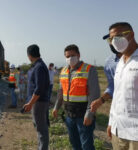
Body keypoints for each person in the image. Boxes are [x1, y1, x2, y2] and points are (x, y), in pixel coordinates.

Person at [52, 44, 100, 150]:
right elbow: (61, 92)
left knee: (86, 146)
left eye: (72, 55)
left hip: (83, 115)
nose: (70, 58)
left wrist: (89, 114)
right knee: (74, 144)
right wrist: (56, 107)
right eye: (67, 56)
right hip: (69, 115)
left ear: (78, 55)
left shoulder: (89, 69)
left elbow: (94, 95)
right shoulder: (63, 71)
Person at [105, 22, 138, 150]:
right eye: (111, 38)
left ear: (131, 35)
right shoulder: (120, 63)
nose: (114, 41)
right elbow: (117, 95)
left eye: (119, 36)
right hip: (118, 131)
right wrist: (111, 123)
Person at [23, 44, 50, 150]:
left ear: (29, 55)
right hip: (38, 102)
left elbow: (39, 88)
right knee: (39, 128)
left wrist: (30, 103)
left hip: (39, 102)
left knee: (42, 130)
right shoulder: (38, 65)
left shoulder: (39, 67)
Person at [90, 35, 122, 112]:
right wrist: (101, 100)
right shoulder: (109, 62)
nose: (112, 42)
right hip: (119, 107)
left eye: (116, 39)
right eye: (110, 40)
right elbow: (112, 85)